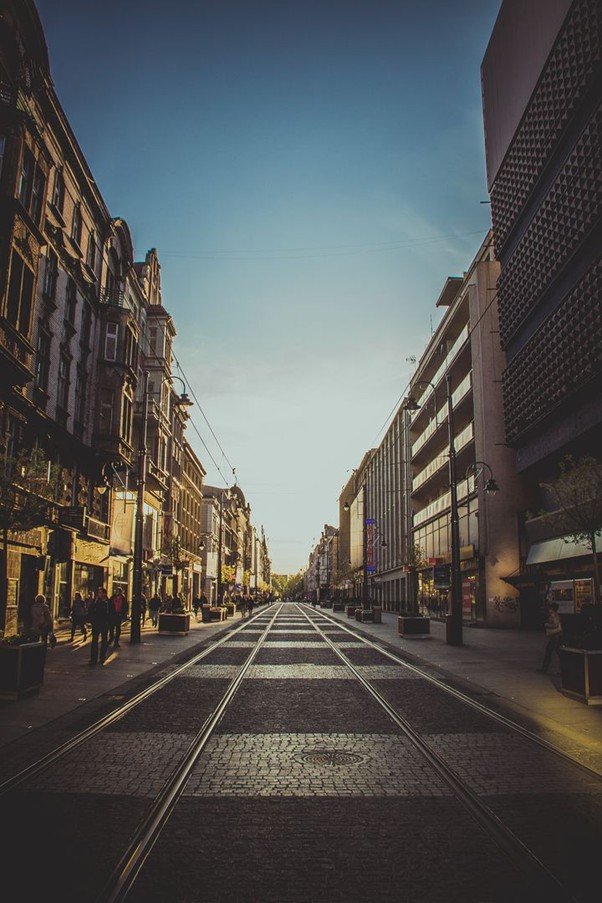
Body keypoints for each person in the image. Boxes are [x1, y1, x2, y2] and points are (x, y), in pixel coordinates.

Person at [537, 602, 563, 674]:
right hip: (556, 636)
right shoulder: (555, 614)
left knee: (549, 652)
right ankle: (562, 670)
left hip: (555, 636)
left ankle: (544, 669)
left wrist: (546, 625)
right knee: (557, 653)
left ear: (551, 608)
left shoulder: (553, 615)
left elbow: (555, 624)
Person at [88, 587, 110, 665]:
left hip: (104, 623)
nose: (99, 594)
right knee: (94, 641)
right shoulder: (96, 601)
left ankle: (102, 657)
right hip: (96, 623)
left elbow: (109, 613)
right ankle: (93, 658)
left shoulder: (107, 602)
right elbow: (90, 610)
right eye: (98, 593)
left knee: (104, 641)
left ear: (104, 594)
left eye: (100, 593)